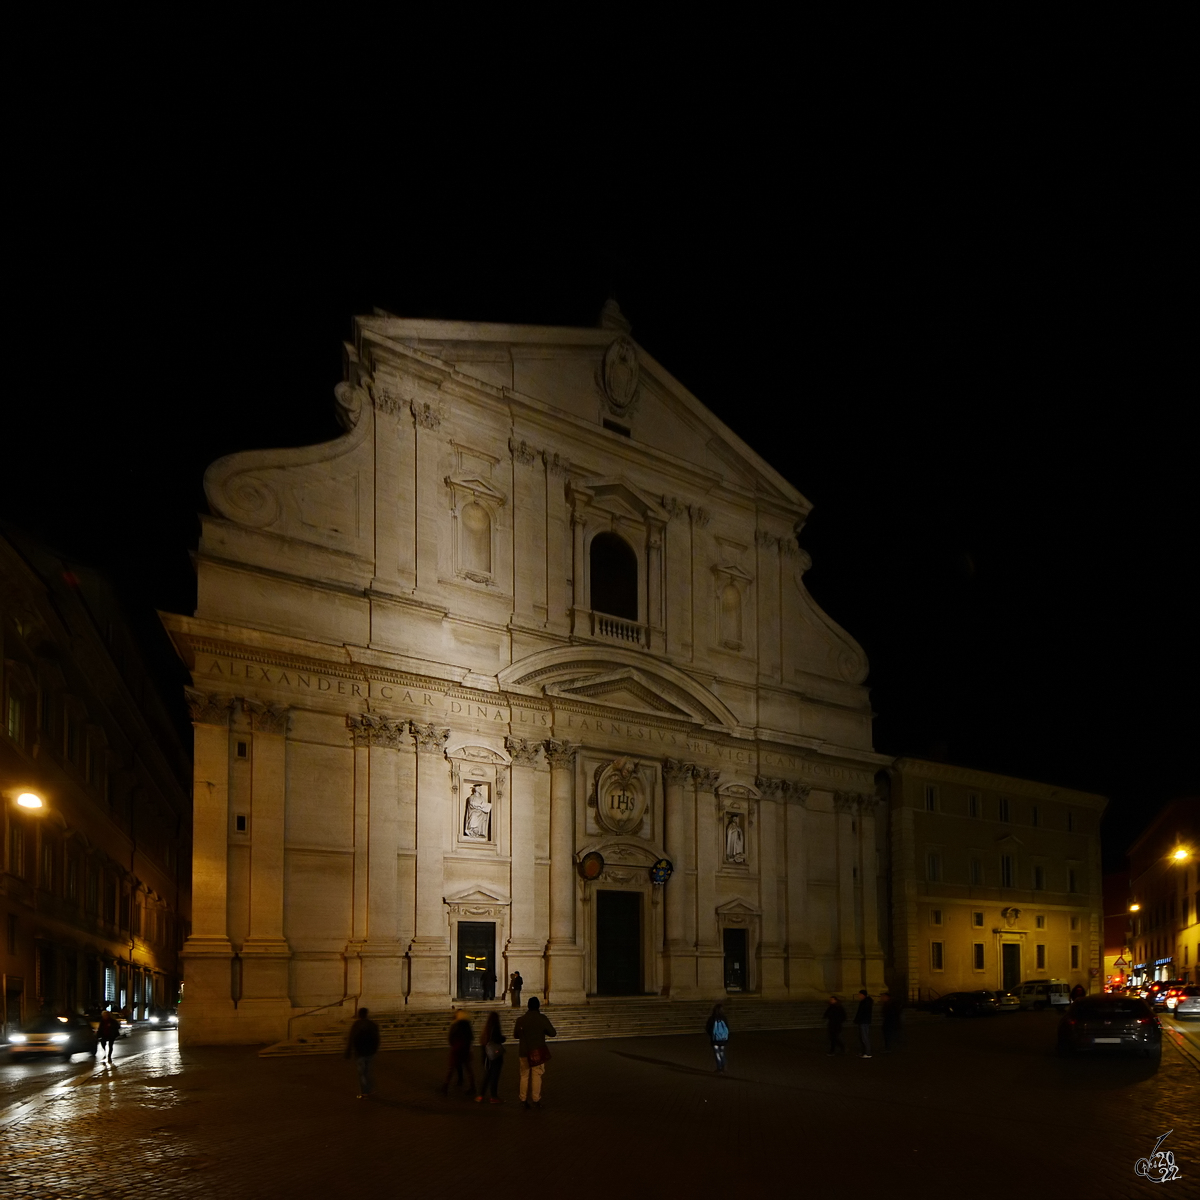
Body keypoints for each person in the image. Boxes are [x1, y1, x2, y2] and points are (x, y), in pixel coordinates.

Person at [513, 996, 556, 1109]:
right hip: (537, 1051)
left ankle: (523, 1099)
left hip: (523, 1051)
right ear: (538, 1006)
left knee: (524, 1076)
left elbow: (515, 1035)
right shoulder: (541, 1018)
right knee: (537, 1075)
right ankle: (535, 1100)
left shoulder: (520, 1020)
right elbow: (552, 1033)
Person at [345, 1007, 380, 1098]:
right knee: (367, 1071)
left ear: (359, 1014)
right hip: (370, 1051)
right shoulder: (372, 1024)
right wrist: (375, 1049)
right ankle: (371, 1088)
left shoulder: (357, 1024)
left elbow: (351, 1038)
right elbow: (377, 1038)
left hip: (359, 1052)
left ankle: (365, 1091)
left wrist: (348, 1050)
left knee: (362, 1073)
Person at [441, 1009, 476, 1095]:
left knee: (451, 1068)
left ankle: (445, 1086)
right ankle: (473, 1087)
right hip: (466, 1049)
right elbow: (471, 1037)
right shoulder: (467, 1025)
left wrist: (453, 1044)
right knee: (469, 1069)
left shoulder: (455, 1025)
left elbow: (450, 1037)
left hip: (456, 1049)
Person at [476, 1011, 507, 1104]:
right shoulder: (495, 1028)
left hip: (487, 1056)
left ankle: (481, 1095)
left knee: (488, 1076)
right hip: (495, 1056)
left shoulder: (486, 1029)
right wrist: (503, 1038)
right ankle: (493, 1096)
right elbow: (497, 1039)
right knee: (494, 1076)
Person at [705, 1003, 730, 1072]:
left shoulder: (712, 1018)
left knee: (717, 1053)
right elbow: (727, 1028)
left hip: (715, 1039)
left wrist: (711, 1034)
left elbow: (708, 1028)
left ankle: (719, 1067)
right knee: (722, 1052)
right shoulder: (724, 1018)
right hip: (723, 1039)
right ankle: (724, 1064)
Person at [854, 989, 874, 1058]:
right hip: (863, 1021)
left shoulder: (865, 1002)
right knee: (863, 1037)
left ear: (863, 995)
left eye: (859, 994)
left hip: (864, 1021)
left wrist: (858, 1019)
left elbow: (862, 1012)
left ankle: (868, 1052)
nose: (859, 996)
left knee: (864, 1037)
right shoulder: (865, 1002)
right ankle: (864, 1051)